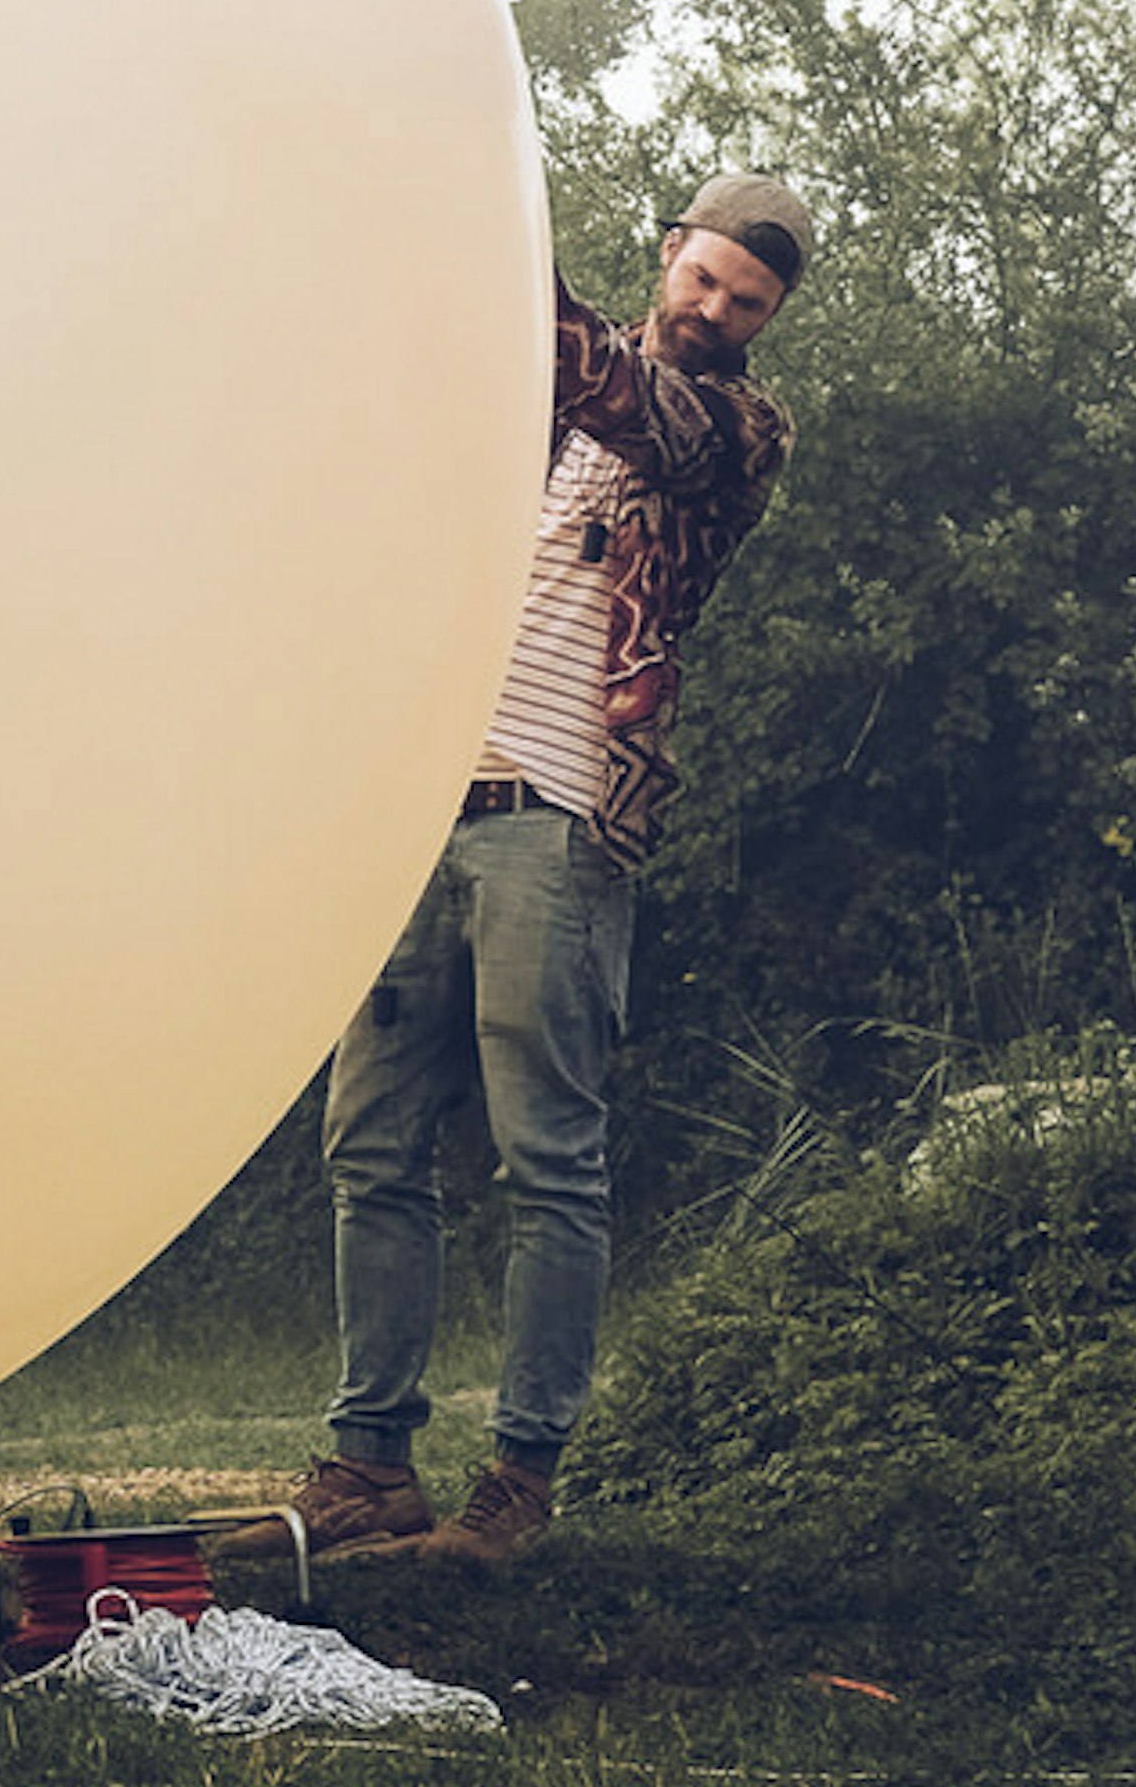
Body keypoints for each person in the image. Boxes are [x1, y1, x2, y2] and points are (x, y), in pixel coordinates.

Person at [294, 171, 809, 1573]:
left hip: (566, 814)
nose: (712, 313)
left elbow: (619, 392)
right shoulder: (521, 411)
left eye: (744, 302)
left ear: (766, 321)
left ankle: (519, 1482)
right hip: (423, 812)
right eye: (701, 282)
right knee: (370, 1140)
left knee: (547, 1159)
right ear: (668, 258)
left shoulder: (735, 431)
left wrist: (485, 222)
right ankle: (369, 1465)